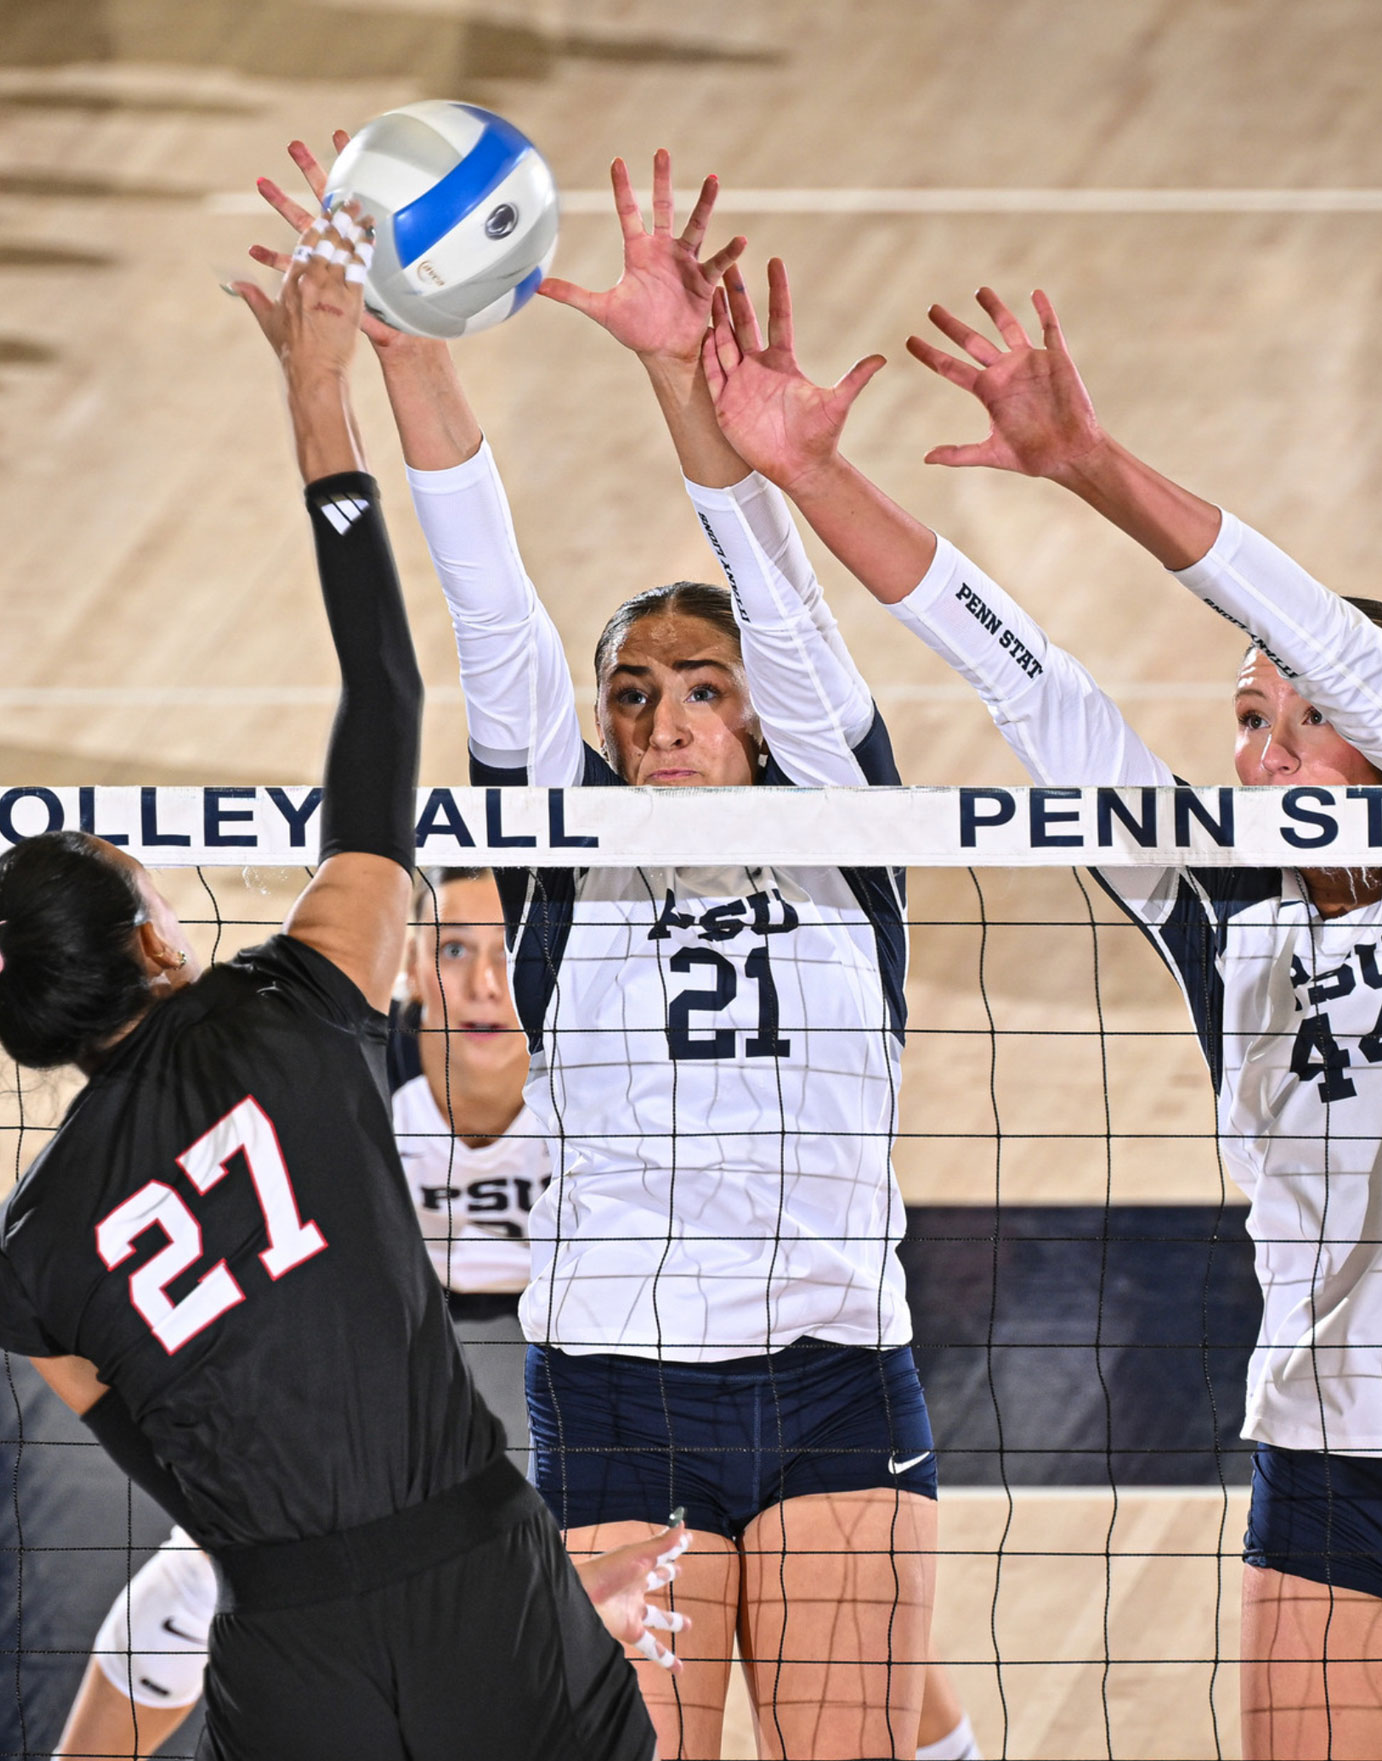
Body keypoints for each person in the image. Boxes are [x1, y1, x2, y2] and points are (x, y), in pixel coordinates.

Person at [695, 265, 1382, 1761]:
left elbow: (1331, 642)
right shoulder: (1216, 910)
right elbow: (1021, 679)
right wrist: (810, 474)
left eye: (1309, 721)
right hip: (1336, 1467)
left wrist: (1089, 465)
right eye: (1245, 722)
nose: (1269, 750)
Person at [0, 211, 667, 1761]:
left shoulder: (33, 1258)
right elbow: (387, 694)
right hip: (478, 1581)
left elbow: (167, 1453)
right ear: (155, 943)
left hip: (291, 1642)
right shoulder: (301, 1005)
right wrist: (316, 399)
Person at [249, 140, 935, 1760]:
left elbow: (783, 588)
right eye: (631, 691)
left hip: (839, 1367)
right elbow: (492, 613)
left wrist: (676, 372)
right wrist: (412, 351)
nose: (661, 716)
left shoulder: (845, 825)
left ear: (759, 708)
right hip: (622, 1386)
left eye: (699, 685)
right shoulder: (565, 851)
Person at [52, 868, 581, 1758]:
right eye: (455, 950)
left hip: (573, 1357)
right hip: (377, 1342)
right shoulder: (343, 1061)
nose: (487, 983)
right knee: (197, 1574)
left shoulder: (611, 1086)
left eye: (509, 952)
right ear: (410, 962)